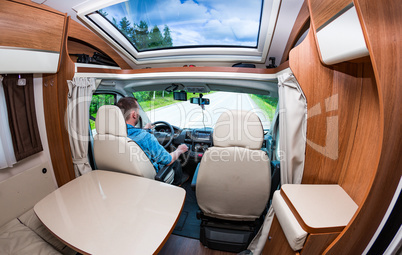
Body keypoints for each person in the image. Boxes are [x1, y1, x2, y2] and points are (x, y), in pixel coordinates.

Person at [117, 97, 189, 186]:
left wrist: (145, 129)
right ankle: (177, 184)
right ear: (134, 114)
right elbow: (168, 160)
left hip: (124, 176)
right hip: (152, 178)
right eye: (138, 110)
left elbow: (135, 135)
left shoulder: (115, 135)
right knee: (175, 159)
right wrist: (179, 150)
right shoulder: (147, 137)